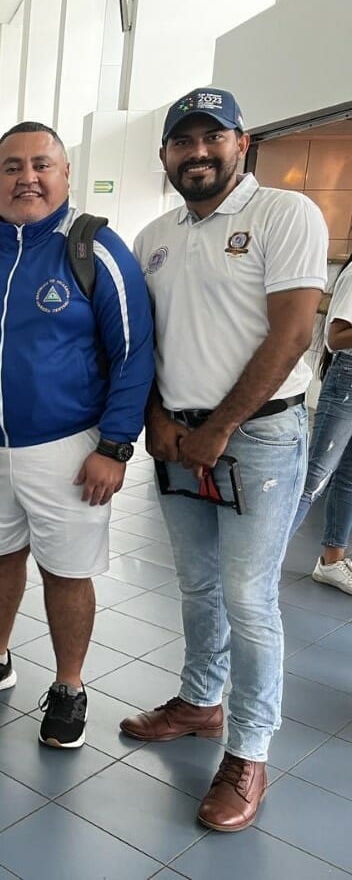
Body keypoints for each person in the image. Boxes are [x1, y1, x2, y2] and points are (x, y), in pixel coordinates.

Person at [120, 87, 327, 832]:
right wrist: (155, 420)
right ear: (166, 155)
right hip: (177, 438)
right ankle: (200, 701)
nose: (197, 152)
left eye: (214, 138)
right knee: (199, 586)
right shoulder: (154, 236)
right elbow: (143, 346)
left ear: (243, 144)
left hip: (259, 438)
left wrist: (223, 425)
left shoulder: (285, 215)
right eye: (183, 141)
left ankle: (249, 752)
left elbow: (293, 333)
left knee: (249, 598)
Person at [0, 121, 154, 749]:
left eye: (41, 165)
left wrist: (114, 446)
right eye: (11, 166)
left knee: (66, 572)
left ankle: (69, 686)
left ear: (65, 175)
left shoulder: (96, 248)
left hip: (69, 447)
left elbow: (134, 352)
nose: (26, 178)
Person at [288, 258, 352, 595]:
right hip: (348, 382)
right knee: (313, 478)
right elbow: (336, 337)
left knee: (349, 479)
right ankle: (262, 559)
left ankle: (331, 562)